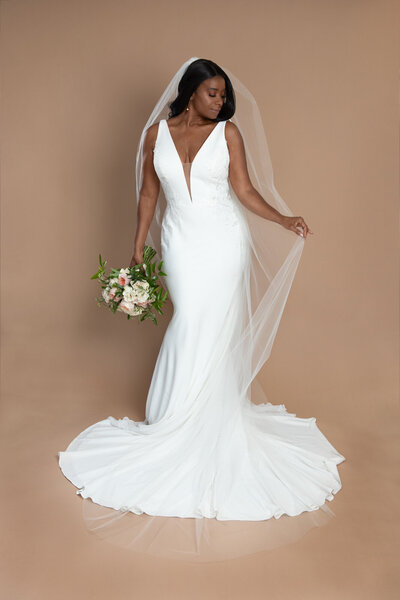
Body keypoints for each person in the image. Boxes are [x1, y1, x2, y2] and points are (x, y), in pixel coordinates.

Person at [58, 58, 345, 560]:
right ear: (190, 91)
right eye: (212, 93)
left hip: (222, 241)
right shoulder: (155, 135)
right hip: (181, 244)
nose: (219, 101)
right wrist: (136, 248)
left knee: (212, 325)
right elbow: (149, 193)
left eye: (222, 95)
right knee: (190, 320)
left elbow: (244, 190)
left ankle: (201, 419)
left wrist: (283, 218)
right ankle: (171, 415)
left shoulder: (228, 134)